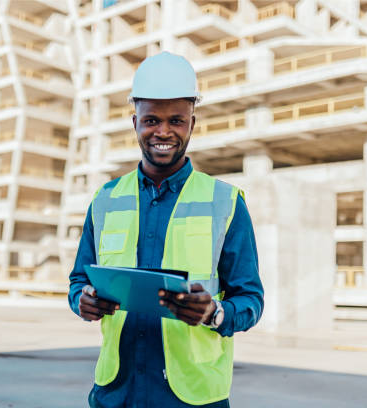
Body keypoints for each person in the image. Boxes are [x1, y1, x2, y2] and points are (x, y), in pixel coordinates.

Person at [68, 52, 264, 408]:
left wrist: (214, 314)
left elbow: (250, 299)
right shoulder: (105, 199)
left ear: (192, 123)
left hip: (193, 397)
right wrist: (83, 301)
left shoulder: (226, 202)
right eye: (151, 120)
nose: (163, 131)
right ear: (135, 123)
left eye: (176, 119)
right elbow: (79, 280)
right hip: (116, 393)